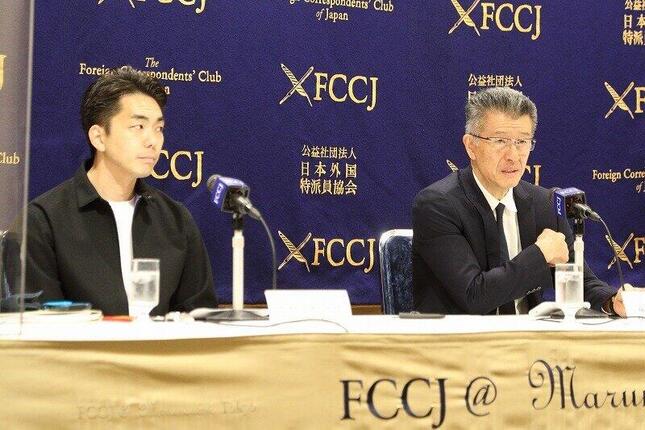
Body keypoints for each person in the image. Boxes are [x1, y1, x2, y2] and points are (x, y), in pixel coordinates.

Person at [412, 87, 624, 316]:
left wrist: (611, 301)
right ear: (471, 146)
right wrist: (540, 254)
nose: (513, 156)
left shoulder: (545, 204)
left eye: (522, 141)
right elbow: (473, 296)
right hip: (461, 336)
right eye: (500, 141)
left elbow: (581, 282)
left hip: (528, 336)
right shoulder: (437, 205)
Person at [24, 66, 217, 315]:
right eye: (138, 127)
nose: (153, 141)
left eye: (159, 128)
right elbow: (40, 324)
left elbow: (199, 316)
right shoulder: (43, 221)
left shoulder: (176, 219)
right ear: (99, 137)